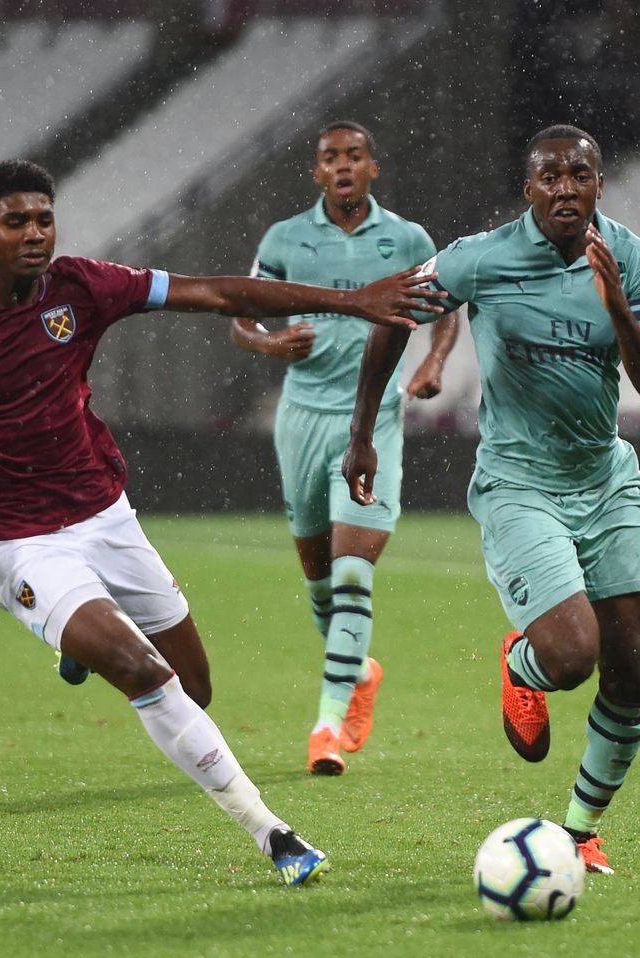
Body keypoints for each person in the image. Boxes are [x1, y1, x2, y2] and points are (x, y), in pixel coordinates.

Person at [0, 159, 441, 886]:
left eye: (44, 218)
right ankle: (274, 835)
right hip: (12, 541)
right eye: (16, 221)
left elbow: (217, 291)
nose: (34, 233)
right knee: (144, 670)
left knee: (195, 687)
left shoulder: (83, 287)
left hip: (102, 516)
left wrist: (352, 301)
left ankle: (80, 643)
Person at [343, 125, 640, 875]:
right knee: (571, 656)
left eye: (580, 175)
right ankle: (524, 665)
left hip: (604, 478)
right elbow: (395, 312)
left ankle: (581, 830)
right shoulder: (480, 257)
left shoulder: (634, 258)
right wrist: (364, 432)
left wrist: (617, 305)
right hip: (520, 482)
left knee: (634, 669)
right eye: (549, 177)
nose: (565, 188)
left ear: (600, 184)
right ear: (528, 189)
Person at [230, 121, 460, 776]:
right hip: (301, 420)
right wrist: (269, 343)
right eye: (330, 157)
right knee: (320, 581)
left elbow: (448, 308)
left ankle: (325, 727)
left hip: (376, 419)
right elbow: (240, 316)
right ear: (317, 172)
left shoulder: (409, 240)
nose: (343, 166)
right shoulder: (283, 239)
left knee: (354, 571)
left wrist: (434, 362)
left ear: (372, 168)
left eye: (354, 156)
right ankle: (359, 671)